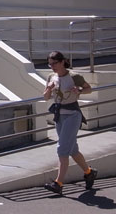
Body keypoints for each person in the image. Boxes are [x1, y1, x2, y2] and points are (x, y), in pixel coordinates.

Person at [42, 51, 98, 195]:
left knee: (62, 149)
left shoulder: (74, 76)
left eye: (54, 63)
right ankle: (89, 172)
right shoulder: (51, 77)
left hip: (73, 115)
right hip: (59, 115)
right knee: (72, 149)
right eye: (50, 63)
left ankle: (58, 183)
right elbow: (46, 96)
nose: (52, 66)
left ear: (62, 62)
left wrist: (78, 89)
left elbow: (88, 89)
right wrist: (49, 89)